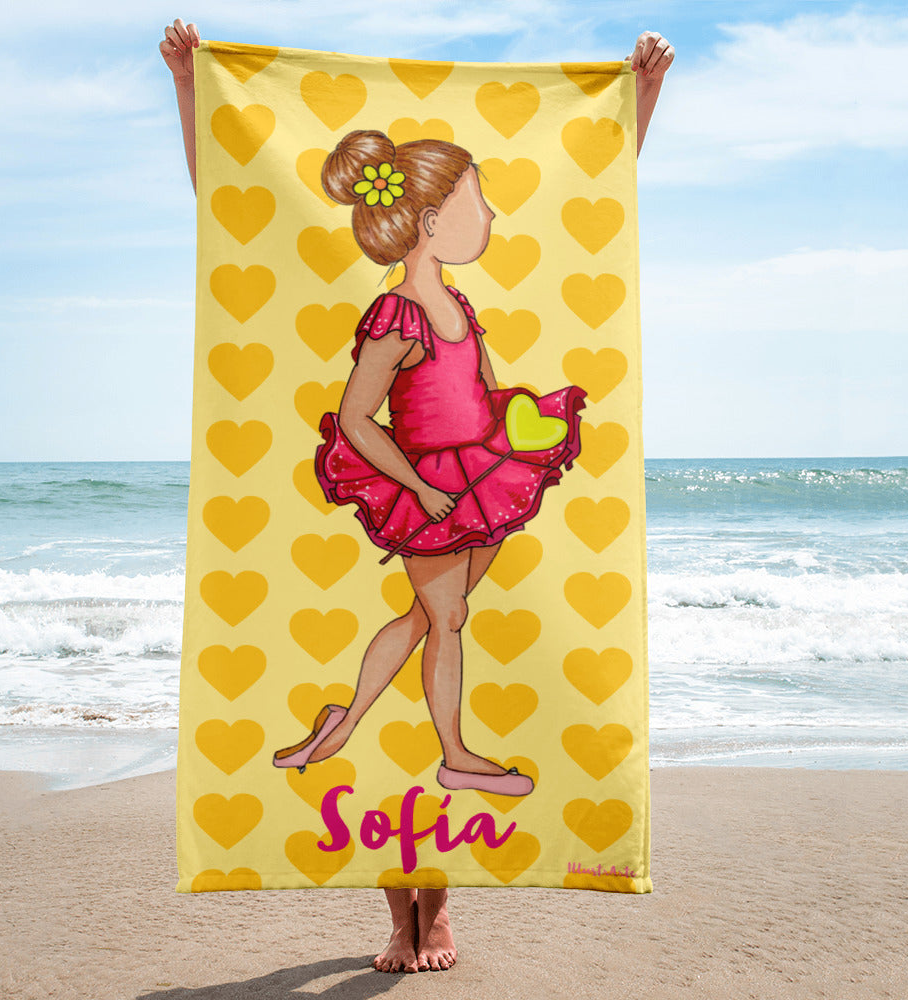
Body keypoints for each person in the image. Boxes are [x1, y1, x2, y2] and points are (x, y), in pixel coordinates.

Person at [161, 17, 673, 975]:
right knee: (446, 625)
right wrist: (196, 91)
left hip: (482, 472)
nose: (492, 217)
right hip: (434, 488)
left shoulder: (458, 302)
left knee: (429, 614)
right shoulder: (397, 310)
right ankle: (456, 759)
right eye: (477, 201)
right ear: (431, 219)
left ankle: (344, 729)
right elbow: (354, 413)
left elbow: (587, 182)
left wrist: (635, 102)